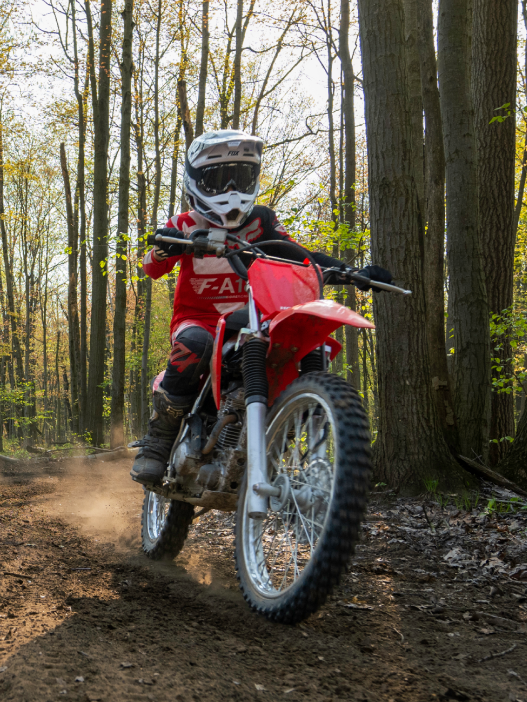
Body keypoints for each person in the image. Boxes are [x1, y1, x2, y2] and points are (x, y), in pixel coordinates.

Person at [131, 129, 391, 485]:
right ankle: (158, 443)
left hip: (255, 316)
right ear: (197, 182)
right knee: (194, 346)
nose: (232, 188)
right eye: (220, 178)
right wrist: (166, 248)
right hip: (200, 320)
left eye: (242, 176)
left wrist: (351, 272)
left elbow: (298, 255)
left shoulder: (262, 221)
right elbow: (151, 266)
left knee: (297, 343)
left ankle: (286, 432)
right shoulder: (184, 224)